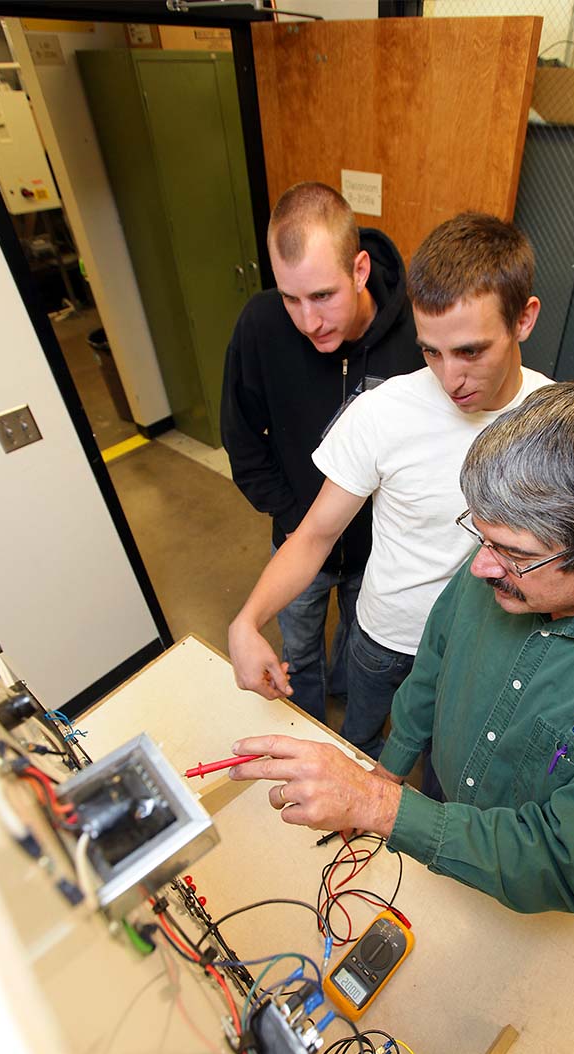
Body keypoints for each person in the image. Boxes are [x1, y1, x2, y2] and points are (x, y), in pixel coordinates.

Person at [226, 381, 574, 918]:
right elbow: (434, 659)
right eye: (480, 536)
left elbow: (557, 862)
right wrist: (388, 772)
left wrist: (377, 804)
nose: (480, 568)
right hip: (437, 805)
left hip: (517, 895)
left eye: (514, 553)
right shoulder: (507, 556)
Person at [228, 212, 549, 756]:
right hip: (387, 639)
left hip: (483, 649)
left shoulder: (556, 421)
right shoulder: (382, 413)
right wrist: (246, 621)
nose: (451, 379)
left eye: (471, 351)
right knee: (361, 745)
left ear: (524, 319)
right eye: (431, 351)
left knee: (447, 765)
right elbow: (313, 537)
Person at [221, 182, 422, 725]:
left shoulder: (414, 339)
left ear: (359, 270)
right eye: (291, 298)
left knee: (363, 657)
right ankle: (306, 729)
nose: (308, 322)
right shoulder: (261, 327)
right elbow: (241, 439)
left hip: (376, 553)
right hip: (297, 542)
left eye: (323, 297)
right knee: (297, 653)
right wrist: (293, 518)